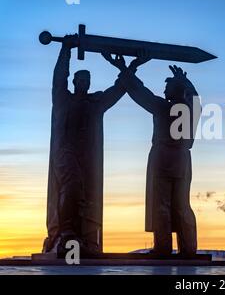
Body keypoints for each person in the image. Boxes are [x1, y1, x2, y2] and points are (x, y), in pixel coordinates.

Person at [105, 50, 201, 257]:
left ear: (175, 91)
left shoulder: (162, 107)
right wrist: (187, 83)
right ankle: (189, 248)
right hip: (183, 161)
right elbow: (195, 100)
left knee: (162, 204)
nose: (164, 89)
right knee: (182, 204)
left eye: (167, 87)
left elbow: (140, 92)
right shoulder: (189, 109)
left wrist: (124, 69)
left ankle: (163, 247)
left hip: (163, 158)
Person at [44, 35, 126, 255]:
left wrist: (127, 67)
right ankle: (66, 232)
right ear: (74, 82)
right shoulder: (62, 98)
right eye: (80, 80)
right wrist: (66, 49)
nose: (84, 84)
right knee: (71, 185)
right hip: (64, 154)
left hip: (85, 158)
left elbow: (119, 89)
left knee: (85, 194)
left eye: (87, 81)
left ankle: (81, 237)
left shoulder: (95, 103)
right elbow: (59, 76)